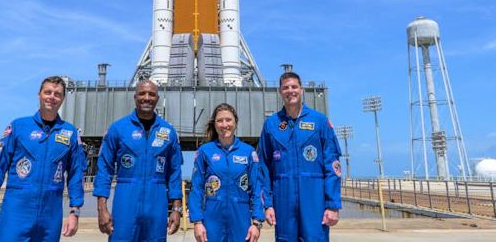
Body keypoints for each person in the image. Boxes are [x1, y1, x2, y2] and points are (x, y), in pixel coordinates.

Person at [0, 76, 85, 242]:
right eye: (47, 92)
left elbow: (76, 174)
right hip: (16, 213)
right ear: (39, 95)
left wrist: (75, 211)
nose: (52, 97)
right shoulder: (18, 127)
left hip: (50, 217)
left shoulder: (70, 133)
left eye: (57, 94)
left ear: (63, 98)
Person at [94, 79, 183, 242]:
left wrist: (176, 209)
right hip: (125, 200)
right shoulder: (118, 129)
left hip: (157, 203)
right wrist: (102, 208)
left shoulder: (168, 132)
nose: (147, 98)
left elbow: (175, 172)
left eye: (151, 94)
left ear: (157, 98)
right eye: (142, 93)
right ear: (135, 97)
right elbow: (104, 169)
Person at [258, 71, 342, 242]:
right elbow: (263, 167)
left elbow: (332, 164)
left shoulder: (319, 121)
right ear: (280, 92)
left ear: (301, 90)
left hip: (314, 199)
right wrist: (267, 204)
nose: (290, 91)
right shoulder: (271, 124)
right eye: (286, 87)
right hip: (283, 200)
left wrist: (332, 205)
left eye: (294, 87)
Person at [189, 103, 267, 242]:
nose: (224, 124)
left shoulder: (248, 152)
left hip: (240, 219)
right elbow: (196, 188)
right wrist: (197, 222)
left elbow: (257, 188)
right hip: (212, 219)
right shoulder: (205, 151)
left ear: (235, 121)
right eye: (220, 120)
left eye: (228, 120)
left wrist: (257, 222)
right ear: (214, 124)